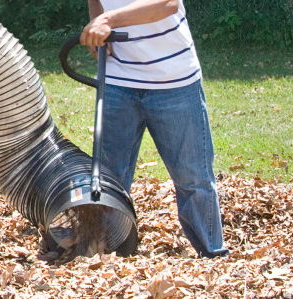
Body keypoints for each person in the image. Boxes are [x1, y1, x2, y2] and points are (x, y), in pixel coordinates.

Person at [80, 0, 229, 258]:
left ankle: (213, 258)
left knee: (193, 178)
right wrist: (98, 21)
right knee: (108, 179)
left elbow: (169, 4)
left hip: (173, 80)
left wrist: (108, 21)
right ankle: (108, 258)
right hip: (117, 79)